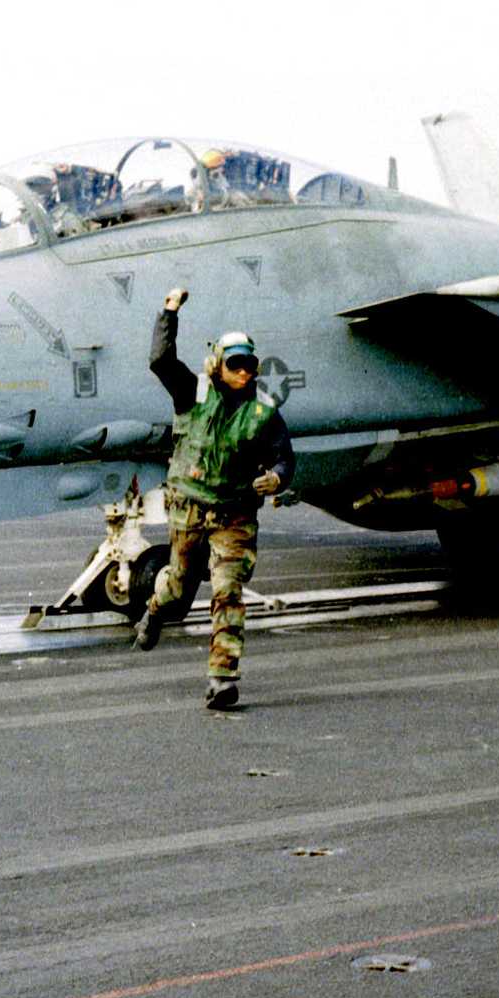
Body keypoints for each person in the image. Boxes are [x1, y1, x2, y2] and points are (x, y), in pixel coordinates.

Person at [132, 287, 295, 709]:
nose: (244, 372)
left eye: (250, 365)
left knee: (228, 591)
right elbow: (160, 361)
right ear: (217, 365)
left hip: (234, 515)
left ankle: (222, 679)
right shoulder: (192, 392)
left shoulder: (263, 412)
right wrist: (169, 312)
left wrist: (276, 479)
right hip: (189, 508)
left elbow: (284, 458)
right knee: (177, 587)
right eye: (235, 364)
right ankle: (154, 610)